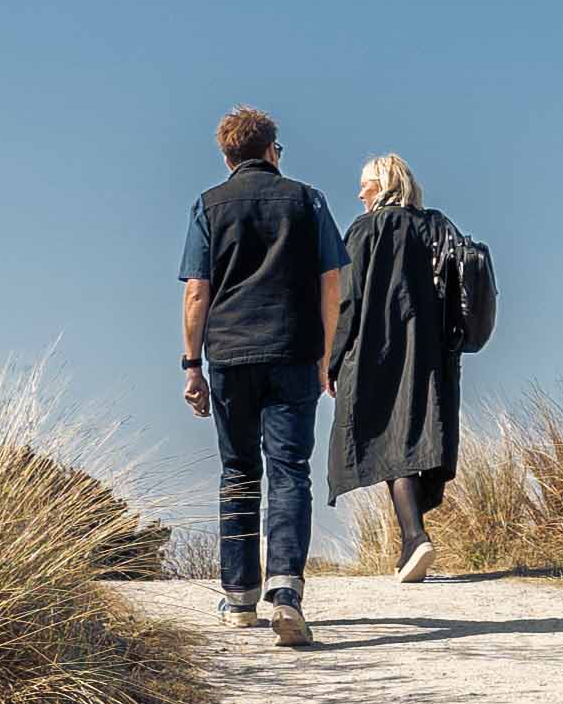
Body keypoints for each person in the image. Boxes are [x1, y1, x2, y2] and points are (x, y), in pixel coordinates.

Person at [177, 106, 340, 645]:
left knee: (239, 470)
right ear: (273, 150)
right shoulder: (307, 199)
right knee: (290, 468)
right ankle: (286, 592)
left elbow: (197, 291)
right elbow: (331, 283)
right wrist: (326, 355)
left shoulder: (207, 206)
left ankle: (240, 598)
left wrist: (192, 364)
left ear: (226, 157)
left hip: (229, 354)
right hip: (293, 350)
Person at [326, 150, 471, 577]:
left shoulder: (365, 230)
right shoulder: (438, 227)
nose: (359, 193)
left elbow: (346, 301)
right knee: (425, 437)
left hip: (379, 351)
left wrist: (331, 360)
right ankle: (411, 538)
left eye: (365, 185)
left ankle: (414, 538)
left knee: (391, 441)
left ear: (382, 185)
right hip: (434, 352)